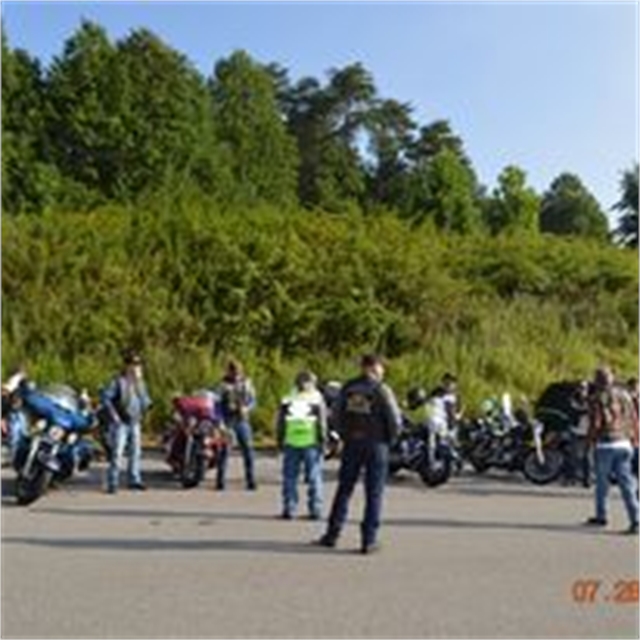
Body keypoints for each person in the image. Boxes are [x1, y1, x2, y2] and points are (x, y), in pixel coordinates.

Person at [316, 354, 402, 554]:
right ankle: (368, 539)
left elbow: (336, 415)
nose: (383, 372)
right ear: (373, 368)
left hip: (353, 442)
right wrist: (390, 440)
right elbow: (395, 420)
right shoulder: (381, 389)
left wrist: (345, 435)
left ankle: (332, 534)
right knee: (374, 493)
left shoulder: (348, 388)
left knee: (344, 489)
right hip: (376, 443)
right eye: (381, 368)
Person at [584, 366, 638, 534]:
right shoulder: (625, 395)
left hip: (606, 444)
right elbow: (634, 418)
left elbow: (596, 423)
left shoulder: (597, 398)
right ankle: (636, 519)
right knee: (627, 483)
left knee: (602, 483)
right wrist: (635, 439)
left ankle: (602, 516)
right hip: (625, 444)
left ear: (598, 381)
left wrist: (589, 441)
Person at [276, 371, 327, 520]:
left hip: (291, 442)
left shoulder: (288, 399)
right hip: (311, 442)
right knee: (314, 477)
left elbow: (281, 423)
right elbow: (322, 423)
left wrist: (280, 440)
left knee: (290, 477)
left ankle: (289, 508)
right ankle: (315, 509)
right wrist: (324, 442)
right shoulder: (317, 399)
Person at [101, 350, 152, 494]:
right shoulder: (118, 381)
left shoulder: (141, 382)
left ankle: (134, 480)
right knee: (117, 452)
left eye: (138, 364)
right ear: (126, 365)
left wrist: (147, 406)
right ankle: (113, 482)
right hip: (121, 422)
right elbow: (106, 398)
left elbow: (145, 399)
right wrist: (114, 416)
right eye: (133, 364)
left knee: (136, 452)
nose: (136, 367)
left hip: (135, 421)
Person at [215, 359, 257, 491]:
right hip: (228, 420)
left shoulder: (247, 383)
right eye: (233, 372)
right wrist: (220, 422)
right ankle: (220, 482)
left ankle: (251, 481)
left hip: (242, 419)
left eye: (238, 373)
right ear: (229, 372)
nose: (236, 376)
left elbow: (253, 401)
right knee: (225, 451)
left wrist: (247, 408)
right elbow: (217, 405)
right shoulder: (222, 385)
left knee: (248, 450)